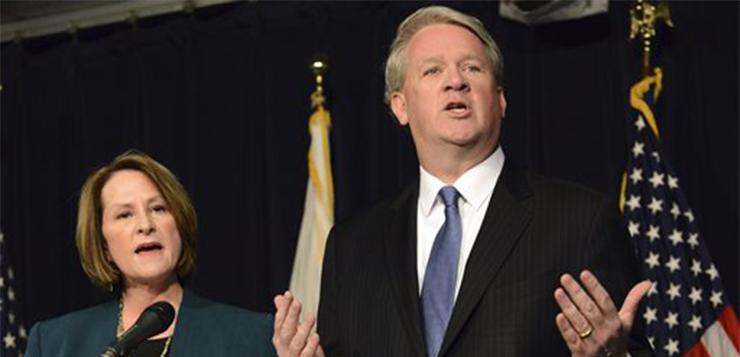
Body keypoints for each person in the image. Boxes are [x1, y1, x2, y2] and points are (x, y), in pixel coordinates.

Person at [273, 5, 653, 357]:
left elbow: (630, 344)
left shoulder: (580, 221)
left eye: (472, 68)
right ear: (400, 106)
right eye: (433, 70)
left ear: (500, 100)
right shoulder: (352, 248)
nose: (455, 81)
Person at [26, 150, 275, 356]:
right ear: (104, 246)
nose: (146, 225)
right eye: (125, 214)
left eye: (158, 209)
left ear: (180, 224)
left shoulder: (251, 337)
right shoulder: (54, 344)